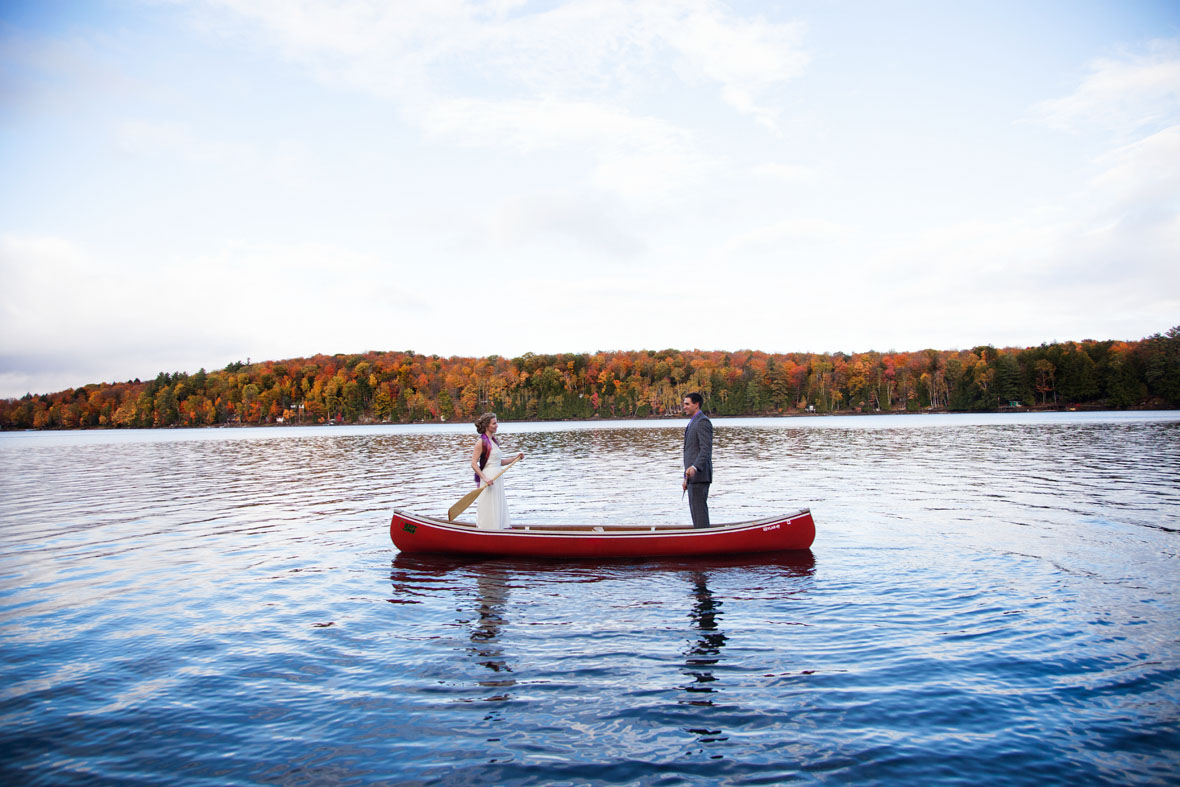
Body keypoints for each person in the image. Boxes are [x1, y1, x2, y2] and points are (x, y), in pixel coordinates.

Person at [470, 412, 524, 530]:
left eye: (496, 423)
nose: (497, 425)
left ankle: (499, 529)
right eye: (494, 423)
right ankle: (487, 530)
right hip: (489, 479)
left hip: (497, 479)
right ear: (487, 425)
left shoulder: (494, 441)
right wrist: (485, 478)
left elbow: (499, 462)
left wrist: (515, 458)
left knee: (498, 505)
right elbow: (473, 463)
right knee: (490, 506)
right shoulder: (481, 442)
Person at [682, 392, 713, 528]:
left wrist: (695, 467)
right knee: (695, 515)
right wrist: (685, 478)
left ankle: (706, 543)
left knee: (700, 515)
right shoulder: (692, 422)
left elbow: (705, 449)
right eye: (684, 404)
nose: (684, 407)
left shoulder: (702, 422)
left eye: (687, 404)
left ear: (696, 404)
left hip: (700, 476)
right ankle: (701, 539)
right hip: (692, 478)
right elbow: (690, 452)